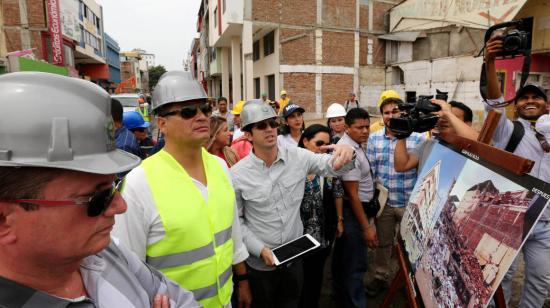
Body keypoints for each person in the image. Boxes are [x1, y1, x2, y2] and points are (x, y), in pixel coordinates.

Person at [0, 71, 198, 308]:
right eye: (97, 198)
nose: (120, 205)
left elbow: (183, 300)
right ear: (3, 220)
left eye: (112, 187)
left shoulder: (105, 252)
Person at [112, 71, 252, 308]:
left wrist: (243, 280)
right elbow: (126, 270)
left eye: (205, 109)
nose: (201, 117)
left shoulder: (220, 167)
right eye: (188, 111)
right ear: (162, 123)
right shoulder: (139, 183)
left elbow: (232, 235)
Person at [231, 100, 356, 308]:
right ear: (248, 135)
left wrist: (347, 152)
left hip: (293, 260)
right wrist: (261, 250)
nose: (269, 129)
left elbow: (331, 167)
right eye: (261, 126)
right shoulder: (237, 175)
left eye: (272, 123)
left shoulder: (298, 157)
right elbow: (238, 222)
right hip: (260, 267)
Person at [485, 36, 550, 308]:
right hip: (511, 221)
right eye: (524, 98)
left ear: (547, 105)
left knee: (540, 280)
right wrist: (490, 62)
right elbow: (494, 101)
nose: (530, 101)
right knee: (501, 280)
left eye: (537, 97)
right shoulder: (509, 130)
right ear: (516, 105)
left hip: (545, 225)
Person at [365, 96, 426, 296]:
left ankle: (406, 280)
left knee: (411, 245)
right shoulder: (374, 139)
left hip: (410, 202)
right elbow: (372, 173)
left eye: (395, 111)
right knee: (383, 243)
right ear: (382, 116)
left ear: (403, 113)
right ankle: (380, 277)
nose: (391, 116)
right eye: (387, 112)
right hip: (386, 204)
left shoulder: (418, 138)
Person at [332, 108, 378, 308]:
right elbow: (352, 194)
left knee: (346, 262)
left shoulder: (355, 145)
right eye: (360, 127)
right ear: (347, 128)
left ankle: (344, 300)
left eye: (367, 126)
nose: (366, 131)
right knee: (355, 266)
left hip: (358, 211)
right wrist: (366, 228)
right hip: (354, 212)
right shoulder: (347, 150)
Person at [297, 124, 345, 308]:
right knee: (300, 279)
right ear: (306, 141)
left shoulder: (331, 164)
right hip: (298, 236)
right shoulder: (294, 166)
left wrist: (339, 220)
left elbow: (337, 192)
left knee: (316, 276)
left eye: (328, 144)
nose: (324, 148)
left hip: (325, 233)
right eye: (319, 143)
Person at [394, 99, 477, 173]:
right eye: (442, 116)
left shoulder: (470, 150)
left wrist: (448, 113)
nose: (444, 120)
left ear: (467, 124)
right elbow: (401, 166)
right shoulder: (428, 144)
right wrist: (402, 134)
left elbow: (479, 143)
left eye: (452, 116)